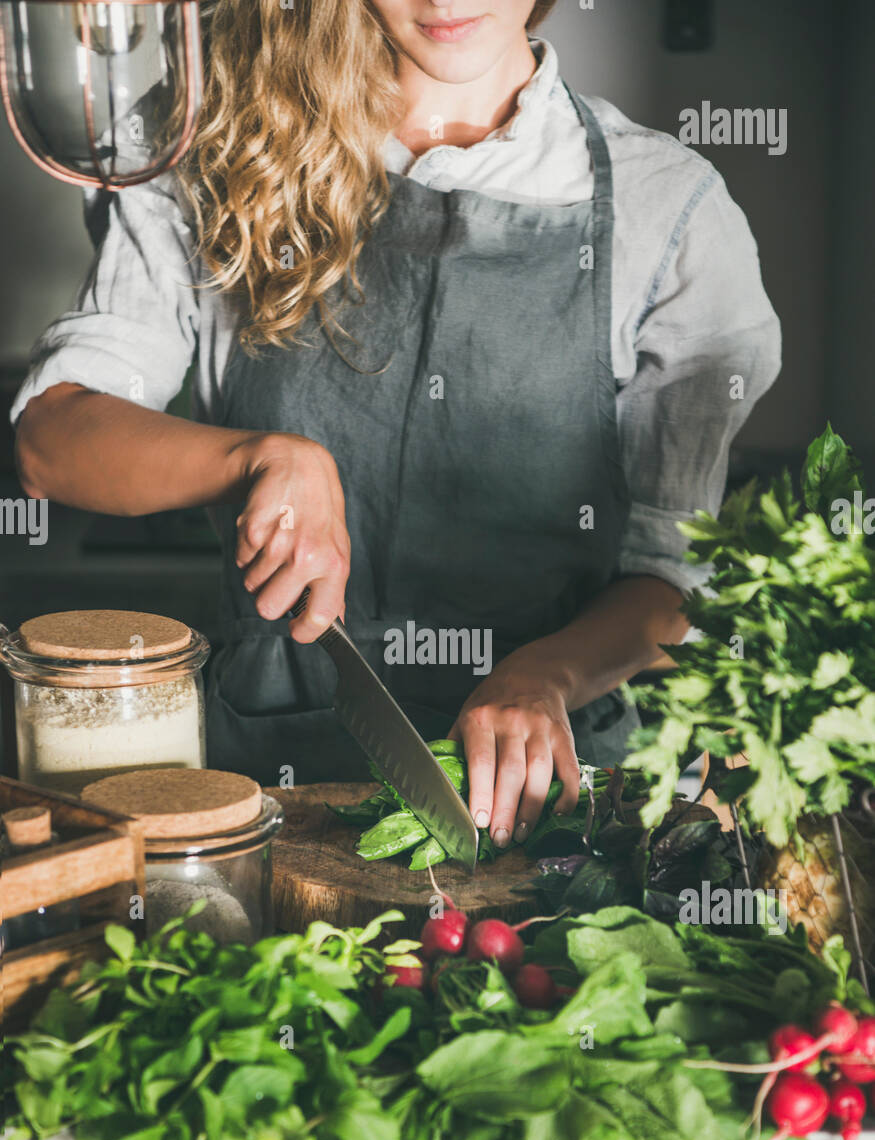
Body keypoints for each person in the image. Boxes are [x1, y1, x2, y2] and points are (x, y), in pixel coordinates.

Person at [12, 0, 780, 850]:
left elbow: (672, 577)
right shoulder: (212, 144)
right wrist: (257, 459)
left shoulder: (665, 207)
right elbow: (53, 440)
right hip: (263, 788)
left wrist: (547, 674)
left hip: (561, 803)